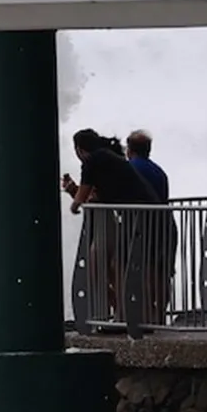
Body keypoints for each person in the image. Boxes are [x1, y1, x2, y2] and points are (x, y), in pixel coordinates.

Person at [62, 129, 160, 326]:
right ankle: (132, 314)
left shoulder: (93, 161)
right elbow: (97, 196)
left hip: (137, 218)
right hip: (146, 217)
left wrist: (74, 202)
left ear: (80, 149)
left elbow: (85, 195)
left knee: (114, 268)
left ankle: (127, 315)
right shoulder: (109, 159)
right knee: (121, 268)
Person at [126, 130, 177, 323]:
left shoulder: (129, 168)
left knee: (144, 270)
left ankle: (146, 314)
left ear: (129, 150)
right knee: (162, 271)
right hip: (165, 222)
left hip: (143, 226)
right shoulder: (158, 171)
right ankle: (160, 316)